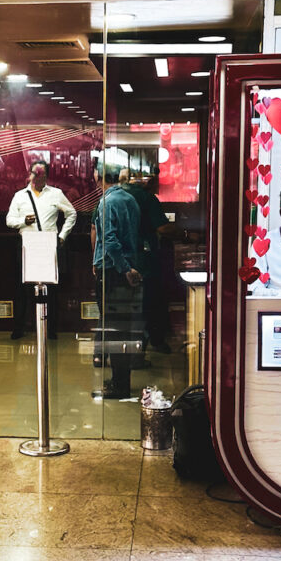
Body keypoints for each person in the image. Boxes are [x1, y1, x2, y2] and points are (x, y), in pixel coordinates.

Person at [122, 166, 194, 354]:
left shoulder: (117, 195)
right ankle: (153, 340)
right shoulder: (147, 199)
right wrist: (185, 234)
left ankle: (135, 344)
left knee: (132, 303)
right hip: (145, 256)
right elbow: (162, 228)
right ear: (148, 180)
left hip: (124, 256)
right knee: (152, 299)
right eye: (156, 180)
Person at [5, 159, 77, 340]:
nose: (38, 177)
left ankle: (51, 330)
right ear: (29, 175)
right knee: (23, 289)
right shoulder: (20, 195)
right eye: (35, 174)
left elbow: (71, 213)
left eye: (41, 174)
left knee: (50, 289)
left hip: (47, 244)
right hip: (26, 244)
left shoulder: (56, 194)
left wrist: (62, 236)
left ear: (47, 176)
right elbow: (9, 220)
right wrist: (23, 222)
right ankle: (19, 328)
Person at [92, 158, 143, 399]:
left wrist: (123, 269)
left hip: (114, 271)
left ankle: (119, 385)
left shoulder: (106, 202)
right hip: (128, 269)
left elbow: (110, 241)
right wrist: (131, 268)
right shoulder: (130, 199)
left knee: (113, 330)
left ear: (98, 176)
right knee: (124, 330)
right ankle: (121, 380)